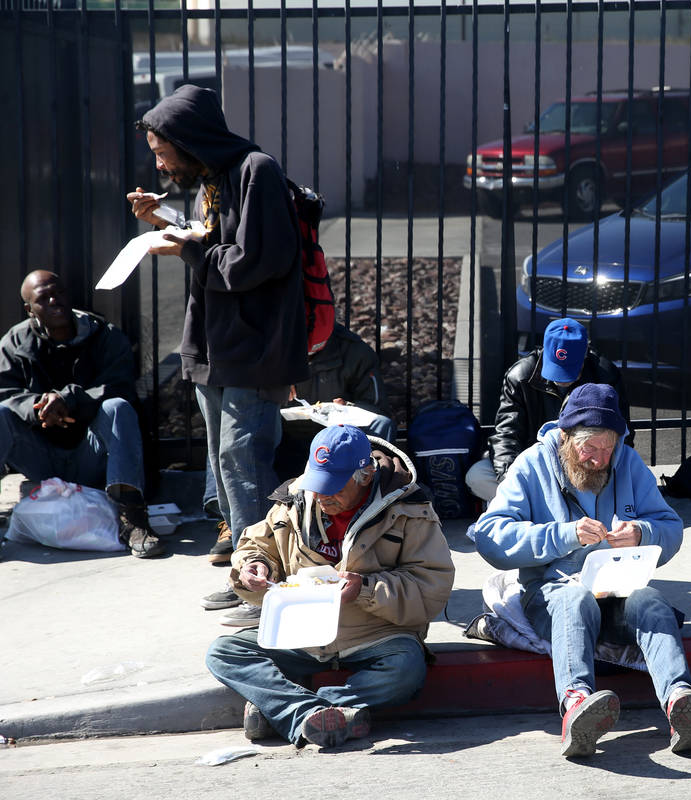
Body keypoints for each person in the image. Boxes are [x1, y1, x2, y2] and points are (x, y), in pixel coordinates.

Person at [126, 85, 310, 619]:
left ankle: (262, 579)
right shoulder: (215, 177)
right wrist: (164, 226)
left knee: (241, 455)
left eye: (163, 153)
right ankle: (244, 566)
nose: (160, 166)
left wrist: (186, 247)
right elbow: (213, 239)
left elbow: (259, 259)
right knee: (220, 455)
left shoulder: (257, 171)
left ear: (190, 141)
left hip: (253, 344)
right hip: (215, 338)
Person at [474, 383, 691, 757]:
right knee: (575, 598)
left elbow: (671, 526)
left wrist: (642, 533)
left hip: (619, 587)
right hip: (553, 593)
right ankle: (576, 705)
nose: (601, 459)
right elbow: (489, 536)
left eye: (608, 448)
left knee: (651, 601)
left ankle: (680, 700)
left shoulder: (628, 462)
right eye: (590, 448)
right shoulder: (532, 464)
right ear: (566, 437)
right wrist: (563, 535)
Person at [205, 424, 454, 748]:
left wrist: (365, 588)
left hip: (375, 633)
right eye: (318, 484)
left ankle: (291, 710)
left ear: (364, 475)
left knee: (406, 667)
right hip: (300, 632)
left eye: (334, 487)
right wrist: (252, 568)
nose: (322, 496)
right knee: (224, 652)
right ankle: (313, 714)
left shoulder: (409, 509)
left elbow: (430, 586)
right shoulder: (293, 501)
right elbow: (256, 545)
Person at [0, 270, 164, 558]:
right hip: (42, 455)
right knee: (1, 413)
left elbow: (121, 385)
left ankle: (133, 519)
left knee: (118, 407)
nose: (55, 300)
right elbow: (5, 392)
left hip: (92, 454)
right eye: (44, 298)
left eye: (59, 292)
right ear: (30, 309)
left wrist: (68, 399)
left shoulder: (104, 334)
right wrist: (39, 405)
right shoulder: (15, 342)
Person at [203, 322, 394, 568]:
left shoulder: (354, 352)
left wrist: (349, 408)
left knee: (380, 427)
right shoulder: (267, 347)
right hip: (282, 436)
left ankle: (371, 509)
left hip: (331, 442)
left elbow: (377, 410)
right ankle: (230, 522)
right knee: (231, 441)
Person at [466, 318, 630, 504]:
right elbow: (506, 435)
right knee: (477, 476)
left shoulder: (605, 376)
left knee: (625, 476)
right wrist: (511, 480)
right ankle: (546, 503)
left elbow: (622, 437)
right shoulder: (520, 376)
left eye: (570, 370)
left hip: (585, 464)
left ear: (585, 354)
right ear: (544, 351)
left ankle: (539, 506)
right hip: (535, 463)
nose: (561, 380)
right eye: (556, 367)